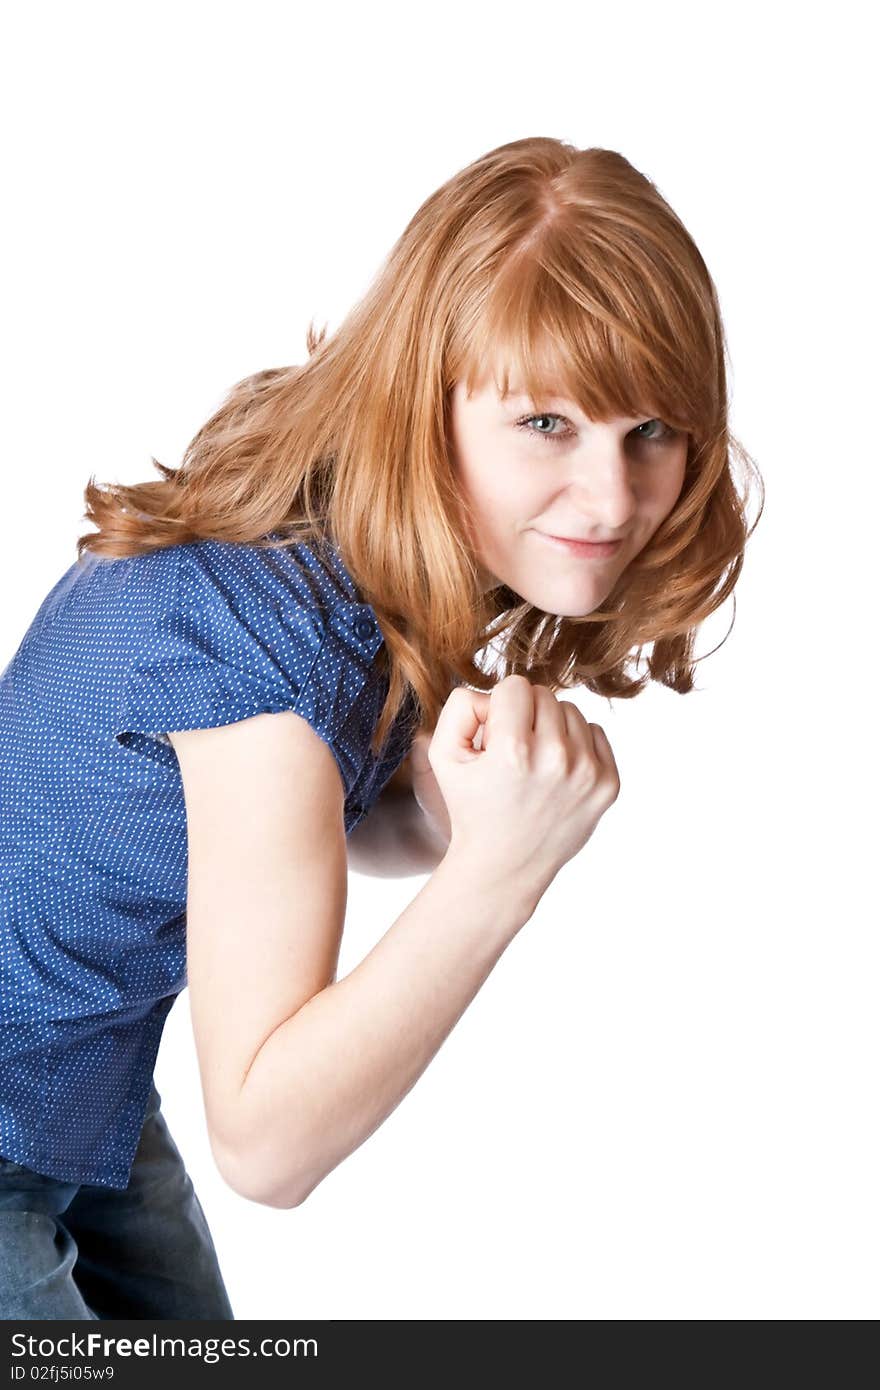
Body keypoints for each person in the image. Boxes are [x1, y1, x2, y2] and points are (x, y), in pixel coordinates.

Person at [0, 136, 762, 1320]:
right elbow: (265, 1142)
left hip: (76, 1084)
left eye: (650, 431)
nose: (614, 499)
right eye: (547, 423)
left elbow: (314, 831)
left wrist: (454, 811)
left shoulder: (353, 538)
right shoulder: (259, 655)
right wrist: (502, 872)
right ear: (429, 396)